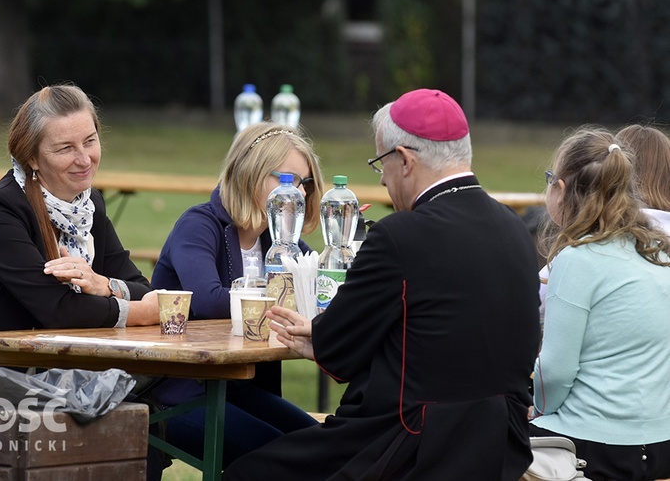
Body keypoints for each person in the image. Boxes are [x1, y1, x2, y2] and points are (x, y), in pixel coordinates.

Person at [223, 89, 542, 480]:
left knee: (248, 472)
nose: (385, 182)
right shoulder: (515, 228)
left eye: (381, 167)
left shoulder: (400, 236)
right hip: (499, 447)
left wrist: (321, 338)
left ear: (404, 161)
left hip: (410, 444)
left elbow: (340, 352)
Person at [0, 84, 158, 388]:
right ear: (32, 158)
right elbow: (58, 309)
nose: (84, 159)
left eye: (90, 141)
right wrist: (142, 312)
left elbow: (141, 286)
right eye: (65, 148)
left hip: (54, 384)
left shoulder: (88, 205)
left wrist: (103, 284)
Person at [149, 122, 325, 469]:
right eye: (286, 180)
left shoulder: (278, 240)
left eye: (304, 183)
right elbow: (209, 300)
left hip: (241, 388)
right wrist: (282, 297)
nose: (300, 193)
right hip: (181, 393)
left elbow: (315, 293)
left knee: (325, 447)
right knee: (288, 458)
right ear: (251, 173)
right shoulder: (199, 224)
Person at [530, 126, 670, 480]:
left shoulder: (578, 259)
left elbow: (556, 373)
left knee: (476, 440)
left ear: (560, 189)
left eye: (549, 178)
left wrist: (536, 407)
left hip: (595, 446)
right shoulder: (656, 252)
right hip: (661, 442)